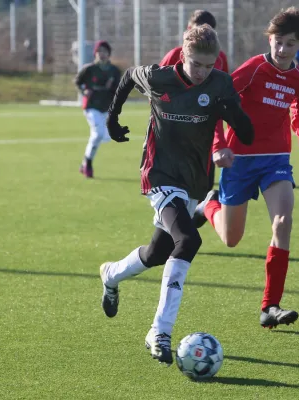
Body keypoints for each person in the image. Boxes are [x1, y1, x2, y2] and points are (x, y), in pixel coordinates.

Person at [99, 25, 254, 365]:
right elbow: (127, 77)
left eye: (209, 66)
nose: (202, 72)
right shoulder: (159, 78)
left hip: (193, 180)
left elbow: (244, 128)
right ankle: (160, 330)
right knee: (188, 240)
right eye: (196, 64)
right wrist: (113, 119)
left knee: (157, 253)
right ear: (183, 56)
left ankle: (111, 274)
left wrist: (237, 121)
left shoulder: (220, 85)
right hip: (159, 174)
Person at [193, 7, 299, 330]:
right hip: (239, 161)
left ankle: (270, 306)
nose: (282, 49)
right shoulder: (252, 70)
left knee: (283, 220)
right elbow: (219, 103)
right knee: (231, 239)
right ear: (270, 39)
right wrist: (219, 145)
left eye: (290, 44)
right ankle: (208, 204)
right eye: (278, 42)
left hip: (276, 161)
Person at [160, 9, 229, 195]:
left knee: (201, 193)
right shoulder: (174, 56)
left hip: (203, 138)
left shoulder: (220, 58)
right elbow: (157, 93)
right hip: (175, 139)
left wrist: (219, 143)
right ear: (188, 30)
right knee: (173, 197)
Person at [75, 40, 121, 178]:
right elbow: (78, 82)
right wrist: (84, 91)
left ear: (109, 54)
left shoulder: (114, 71)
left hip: (106, 107)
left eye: (105, 52)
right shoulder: (89, 69)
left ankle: (85, 162)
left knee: (105, 137)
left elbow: (119, 89)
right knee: (98, 134)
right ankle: (88, 164)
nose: (102, 54)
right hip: (91, 106)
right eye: (99, 51)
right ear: (95, 53)